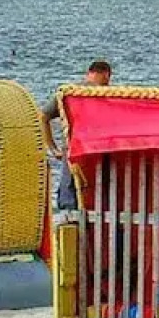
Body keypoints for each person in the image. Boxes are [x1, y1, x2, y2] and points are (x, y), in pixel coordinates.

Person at [42, 60, 112, 210]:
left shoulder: (68, 93)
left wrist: (52, 149)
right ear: (106, 76)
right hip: (95, 152)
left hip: (74, 153)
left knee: (70, 195)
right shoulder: (106, 94)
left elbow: (43, 116)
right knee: (96, 194)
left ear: (89, 73)